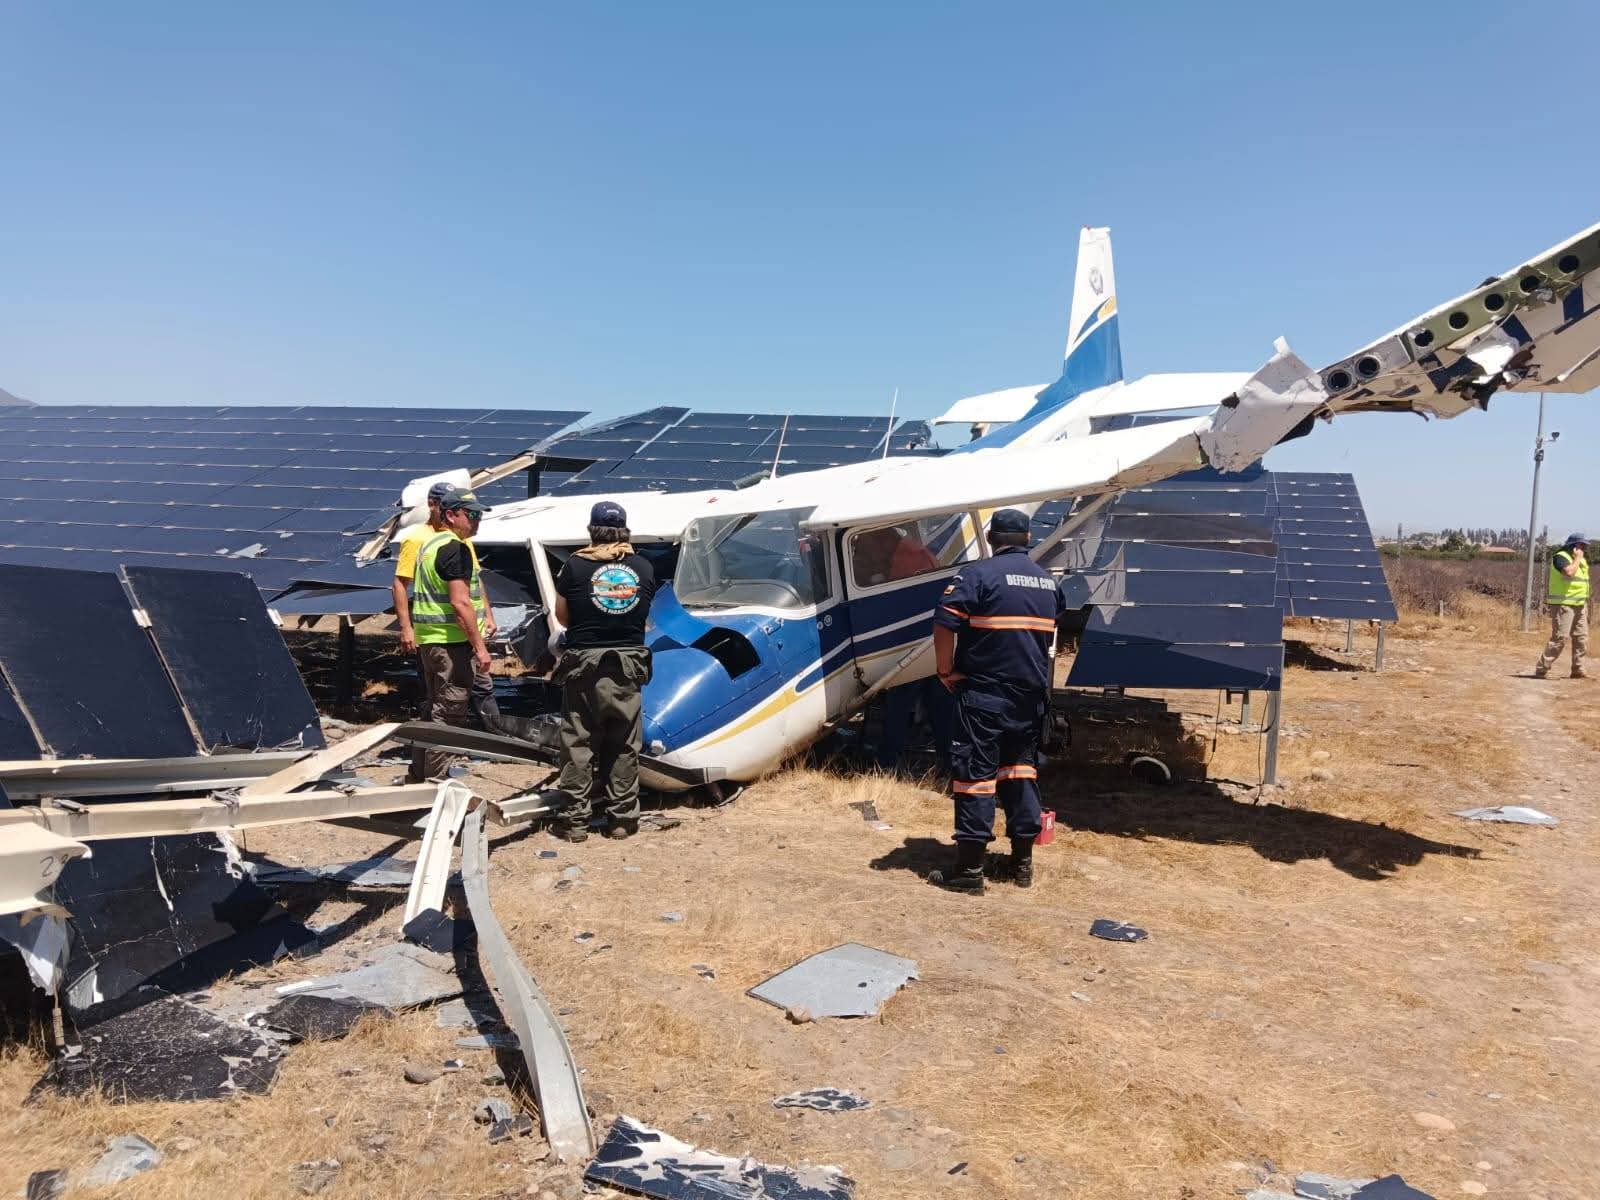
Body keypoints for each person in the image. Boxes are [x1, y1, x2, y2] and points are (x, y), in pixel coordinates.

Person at [927, 508, 1064, 894]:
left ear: (991, 537)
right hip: (1030, 700)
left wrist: (944, 670)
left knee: (975, 777)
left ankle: (970, 871)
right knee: (1020, 773)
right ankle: (1021, 863)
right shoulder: (1048, 583)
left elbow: (945, 622)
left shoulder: (977, 575)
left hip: (985, 695)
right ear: (1029, 538)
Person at [548, 501, 658, 842]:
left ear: (591, 530)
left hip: (584, 664)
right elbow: (643, 614)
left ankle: (574, 823)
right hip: (627, 666)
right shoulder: (644, 568)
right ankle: (622, 820)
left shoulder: (574, 567)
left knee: (578, 744)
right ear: (625, 530)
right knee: (623, 744)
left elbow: (563, 618)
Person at [395, 482, 501, 780]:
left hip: (433, 642)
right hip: (452, 645)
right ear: (451, 515)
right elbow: (460, 603)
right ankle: (435, 782)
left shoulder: (432, 545)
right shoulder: (453, 549)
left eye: (479, 515)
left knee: (433, 710)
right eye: (472, 515)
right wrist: (479, 647)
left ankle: (419, 773)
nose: (477, 520)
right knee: (449, 713)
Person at [1534, 533, 1589, 679]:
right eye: (1581, 545)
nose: (1583, 549)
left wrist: (1578, 559)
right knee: (1560, 638)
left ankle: (1578, 670)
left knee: (1581, 638)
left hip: (1580, 604)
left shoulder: (1581, 561)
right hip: (1563, 604)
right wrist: (1577, 558)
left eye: (1584, 546)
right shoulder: (1561, 557)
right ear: (1573, 545)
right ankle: (1542, 668)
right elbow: (1569, 572)